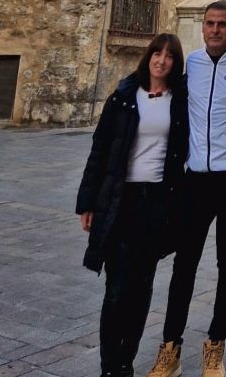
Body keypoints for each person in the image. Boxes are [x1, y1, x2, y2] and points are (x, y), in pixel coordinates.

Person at [148, 1, 226, 377]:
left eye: (222, 24)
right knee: (184, 266)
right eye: (209, 24)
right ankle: (170, 349)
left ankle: (215, 346)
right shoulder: (192, 65)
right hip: (195, 180)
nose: (214, 30)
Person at [76, 33, 189, 377]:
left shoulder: (179, 101)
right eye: (157, 53)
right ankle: (110, 366)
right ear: (148, 57)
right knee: (116, 289)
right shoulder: (124, 97)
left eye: (170, 56)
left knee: (141, 288)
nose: (162, 60)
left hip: (156, 203)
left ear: (175, 63)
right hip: (121, 200)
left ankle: (126, 362)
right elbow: (100, 150)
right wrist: (88, 203)